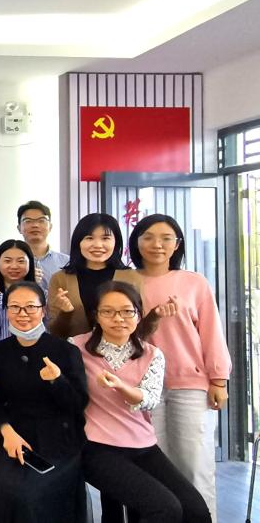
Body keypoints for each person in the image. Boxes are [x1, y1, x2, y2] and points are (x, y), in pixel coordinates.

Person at [72, 280, 211, 523]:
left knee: (196, 511)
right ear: (96, 316)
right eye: (108, 311)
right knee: (165, 509)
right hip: (96, 448)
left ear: (138, 315)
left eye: (127, 311)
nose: (118, 318)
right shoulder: (75, 347)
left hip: (142, 446)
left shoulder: (152, 354)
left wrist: (120, 386)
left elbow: (149, 399)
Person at [129, 214, 231, 519]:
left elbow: (211, 332)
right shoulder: (127, 282)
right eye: (148, 237)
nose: (157, 244)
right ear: (136, 242)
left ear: (177, 245)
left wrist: (219, 379)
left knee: (195, 466)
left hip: (190, 385)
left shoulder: (194, 283)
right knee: (154, 467)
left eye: (166, 238)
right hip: (144, 388)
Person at [0, 281, 88, 523]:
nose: (22, 314)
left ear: (43, 310)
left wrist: (57, 381)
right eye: (15, 307)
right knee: (2, 487)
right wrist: (7, 432)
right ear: (7, 311)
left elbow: (77, 404)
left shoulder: (66, 351)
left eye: (30, 307)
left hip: (58, 437)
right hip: (13, 432)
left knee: (29, 495)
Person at [47, 212, 144, 339]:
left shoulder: (132, 277)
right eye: (89, 238)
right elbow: (54, 332)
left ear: (116, 242)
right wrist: (65, 313)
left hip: (120, 350)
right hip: (72, 349)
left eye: (105, 238)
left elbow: (140, 326)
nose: (98, 245)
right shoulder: (60, 278)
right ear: (78, 242)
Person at [0, 240, 36, 372]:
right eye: (7, 261)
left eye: (21, 261)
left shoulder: (39, 293)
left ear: (30, 263)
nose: (14, 266)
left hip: (30, 362)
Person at [16, 201, 69, 292]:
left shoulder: (66, 262)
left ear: (50, 227)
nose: (35, 225)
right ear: (19, 228)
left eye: (41, 221)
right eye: (28, 221)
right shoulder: (10, 262)